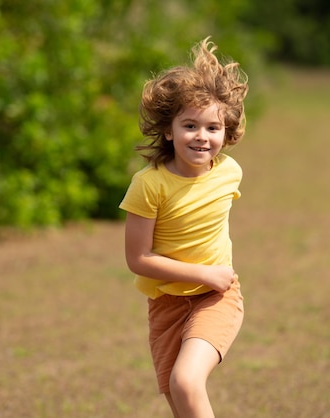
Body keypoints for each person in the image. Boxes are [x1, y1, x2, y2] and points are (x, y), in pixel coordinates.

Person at [119, 37, 249, 417]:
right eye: (190, 125)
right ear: (169, 130)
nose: (203, 137)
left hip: (217, 295)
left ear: (226, 132)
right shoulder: (148, 185)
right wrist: (200, 272)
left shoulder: (229, 172)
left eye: (213, 127)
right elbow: (138, 258)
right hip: (166, 306)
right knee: (182, 404)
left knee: (186, 382)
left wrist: (211, 278)